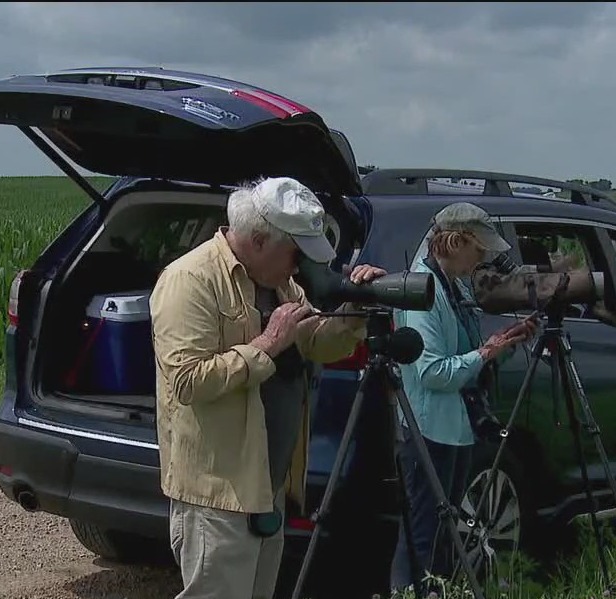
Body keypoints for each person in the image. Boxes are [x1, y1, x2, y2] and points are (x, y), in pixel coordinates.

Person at [149, 176, 389, 599]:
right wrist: (264, 346)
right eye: (295, 252)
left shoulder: (281, 283)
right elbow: (186, 381)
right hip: (219, 494)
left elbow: (316, 342)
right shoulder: (190, 280)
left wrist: (354, 310)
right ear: (259, 240)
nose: (299, 266)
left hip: (268, 483)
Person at [389, 202, 537, 596]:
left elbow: (461, 354)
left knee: (441, 537)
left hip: (453, 430)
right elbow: (432, 371)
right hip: (429, 430)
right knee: (423, 539)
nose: (483, 258)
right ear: (454, 242)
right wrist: (483, 355)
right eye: (478, 249)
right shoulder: (424, 289)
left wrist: (497, 344)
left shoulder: (452, 286)